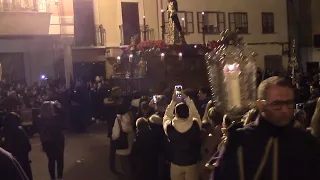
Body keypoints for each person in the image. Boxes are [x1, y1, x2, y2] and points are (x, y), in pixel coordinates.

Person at [213, 76, 320, 180]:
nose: (285, 110)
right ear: (261, 105)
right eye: (277, 104)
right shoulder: (239, 142)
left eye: (289, 103)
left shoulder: (305, 142)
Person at [163, 90, 201, 180]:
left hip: (176, 162)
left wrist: (173, 102)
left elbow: (166, 116)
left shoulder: (169, 127)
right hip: (192, 162)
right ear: (188, 113)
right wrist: (187, 99)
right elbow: (195, 113)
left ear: (175, 114)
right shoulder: (195, 124)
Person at [37, 101, 65, 180]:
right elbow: (63, 115)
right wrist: (58, 105)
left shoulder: (40, 119)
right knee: (60, 160)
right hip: (58, 140)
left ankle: (52, 177)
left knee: (51, 160)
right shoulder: (55, 117)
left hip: (47, 141)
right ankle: (59, 177)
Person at [0, 112, 33, 180]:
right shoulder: (19, 130)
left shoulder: (2, 131)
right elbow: (28, 146)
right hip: (22, 160)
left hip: (7, 163)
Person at [111, 105, 134, 180]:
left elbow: (116, 133)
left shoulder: (118, 119)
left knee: (124, 162)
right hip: (130, 140)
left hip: (122, 142)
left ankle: (127, 176)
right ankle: (131, 174)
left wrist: (113, 137)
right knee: (129, 160)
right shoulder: (130, 116)